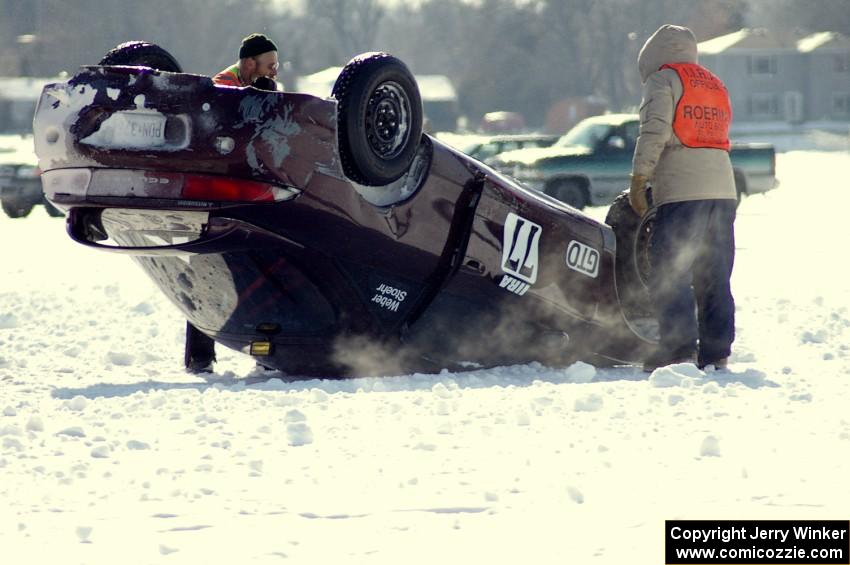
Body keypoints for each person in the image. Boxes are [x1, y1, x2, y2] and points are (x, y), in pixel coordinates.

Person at [628, 24, 737, 372]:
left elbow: (655, 130)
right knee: (714, 272)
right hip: (723, 190)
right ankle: (716, 352)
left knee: (670, 271)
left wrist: (639, 176)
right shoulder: (714, 83)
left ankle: (677, 352)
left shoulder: (663, 80)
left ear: (652, 56)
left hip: (683, 191)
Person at [212, 33, 281, 89]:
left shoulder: (245, 83)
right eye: (271, 67)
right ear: (250, 63)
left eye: (276, 66)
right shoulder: (223, 86)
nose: (275, 73)